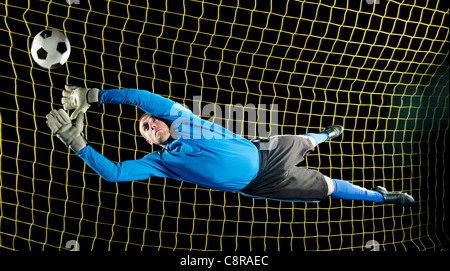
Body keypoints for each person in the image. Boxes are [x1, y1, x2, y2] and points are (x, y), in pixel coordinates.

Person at [45, 85, 414, 206]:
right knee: (327, 187)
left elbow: (141, 98)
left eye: (149, 119)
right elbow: (115, 173)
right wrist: (77, 142)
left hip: (265, 151)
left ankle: (328, 134)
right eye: (144, 128)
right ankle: (382, 196)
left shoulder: (182, 118)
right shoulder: (160, 162)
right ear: (146, 138)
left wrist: (94, 96)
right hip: (260, 185)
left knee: (305, 141)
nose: (150, 124)